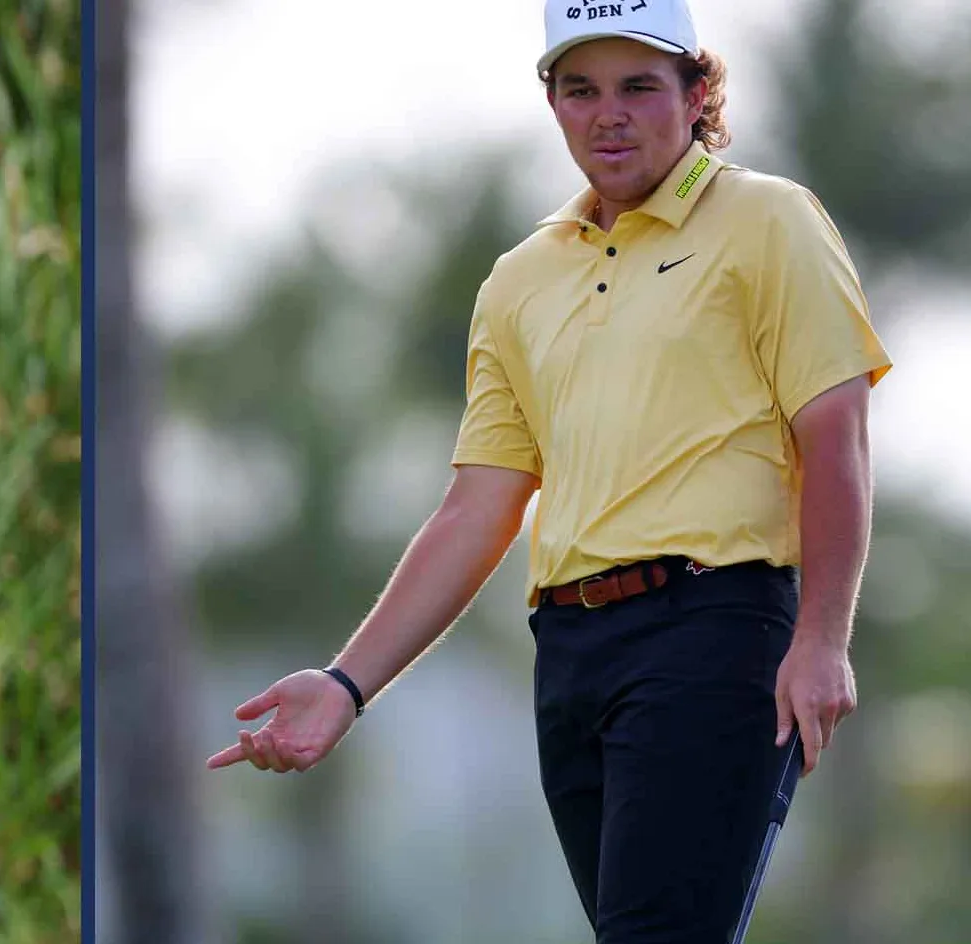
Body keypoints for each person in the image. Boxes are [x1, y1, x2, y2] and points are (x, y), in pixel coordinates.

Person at [206, 0, 892, 939]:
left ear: (697, 95)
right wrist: (346, 683)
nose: (607, 113)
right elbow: (477, 507)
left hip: (715, 631)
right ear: (554, 103)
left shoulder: (770, 220)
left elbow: (837, 431)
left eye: (638, 86)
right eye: (581, 90)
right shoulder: (521, 278)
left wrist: (821, 639)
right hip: (570, 657)